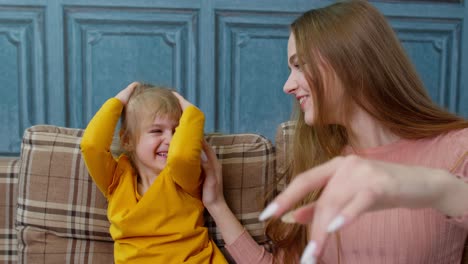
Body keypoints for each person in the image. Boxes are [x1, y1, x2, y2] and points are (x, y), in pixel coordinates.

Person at [200, 1, 468, 264]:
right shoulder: (321, 161)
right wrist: (216, 203)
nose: (287, 86)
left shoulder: (458, 149)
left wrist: (438, 189)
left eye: (299, 64)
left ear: (349, 59)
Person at [80, 82, 227, 263]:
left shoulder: (183, 178)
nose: (170, 139)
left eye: (176, 131)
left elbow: (182, 155)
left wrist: (192, 112)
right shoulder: (116, 181)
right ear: (127, 140)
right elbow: (91, 145)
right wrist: (119, 101)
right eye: (157, 130)